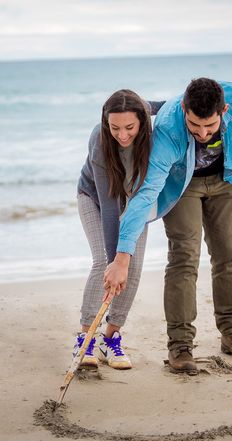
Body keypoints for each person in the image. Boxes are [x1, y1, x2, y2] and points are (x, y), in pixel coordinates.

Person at [104, 78, 232, 375]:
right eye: (194, 126)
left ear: (224, 110)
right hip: (182, 186)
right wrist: (122, 255)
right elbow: (148, 190)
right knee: (184, 259)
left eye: (210, 127)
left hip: (226, 179)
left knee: (229, 255)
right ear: (183, 108)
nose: (202, 134)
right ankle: (180, 346)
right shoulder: (168, 129)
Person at [75, 89, 164, 370]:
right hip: (97, 197)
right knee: (105, 261)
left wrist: (123, 264)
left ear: (142, 119)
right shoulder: (100, 141)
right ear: (106, 123)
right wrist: (116, 261)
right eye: (115, 128)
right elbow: (110, 205)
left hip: (137, 200)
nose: (122, 135)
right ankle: (86, 337)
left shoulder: (152, 126)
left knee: (132, 267)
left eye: (129, 127)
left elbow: (177, 105)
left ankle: (110, 338)